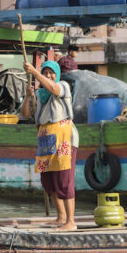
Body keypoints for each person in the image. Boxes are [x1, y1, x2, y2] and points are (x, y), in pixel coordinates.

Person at [20, 59, 78, 230]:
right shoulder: (39, 94)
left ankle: (71, 222)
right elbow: (25, 114)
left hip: (64, 135)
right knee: (48, 180)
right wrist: (28, 96)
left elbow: (53, 88)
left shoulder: (63, 86)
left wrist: (35, 73)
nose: (48, 76)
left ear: (57, 74)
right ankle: (60, 217)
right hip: (46, 137)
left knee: (64, 178)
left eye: (51, 73)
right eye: (45, 73)